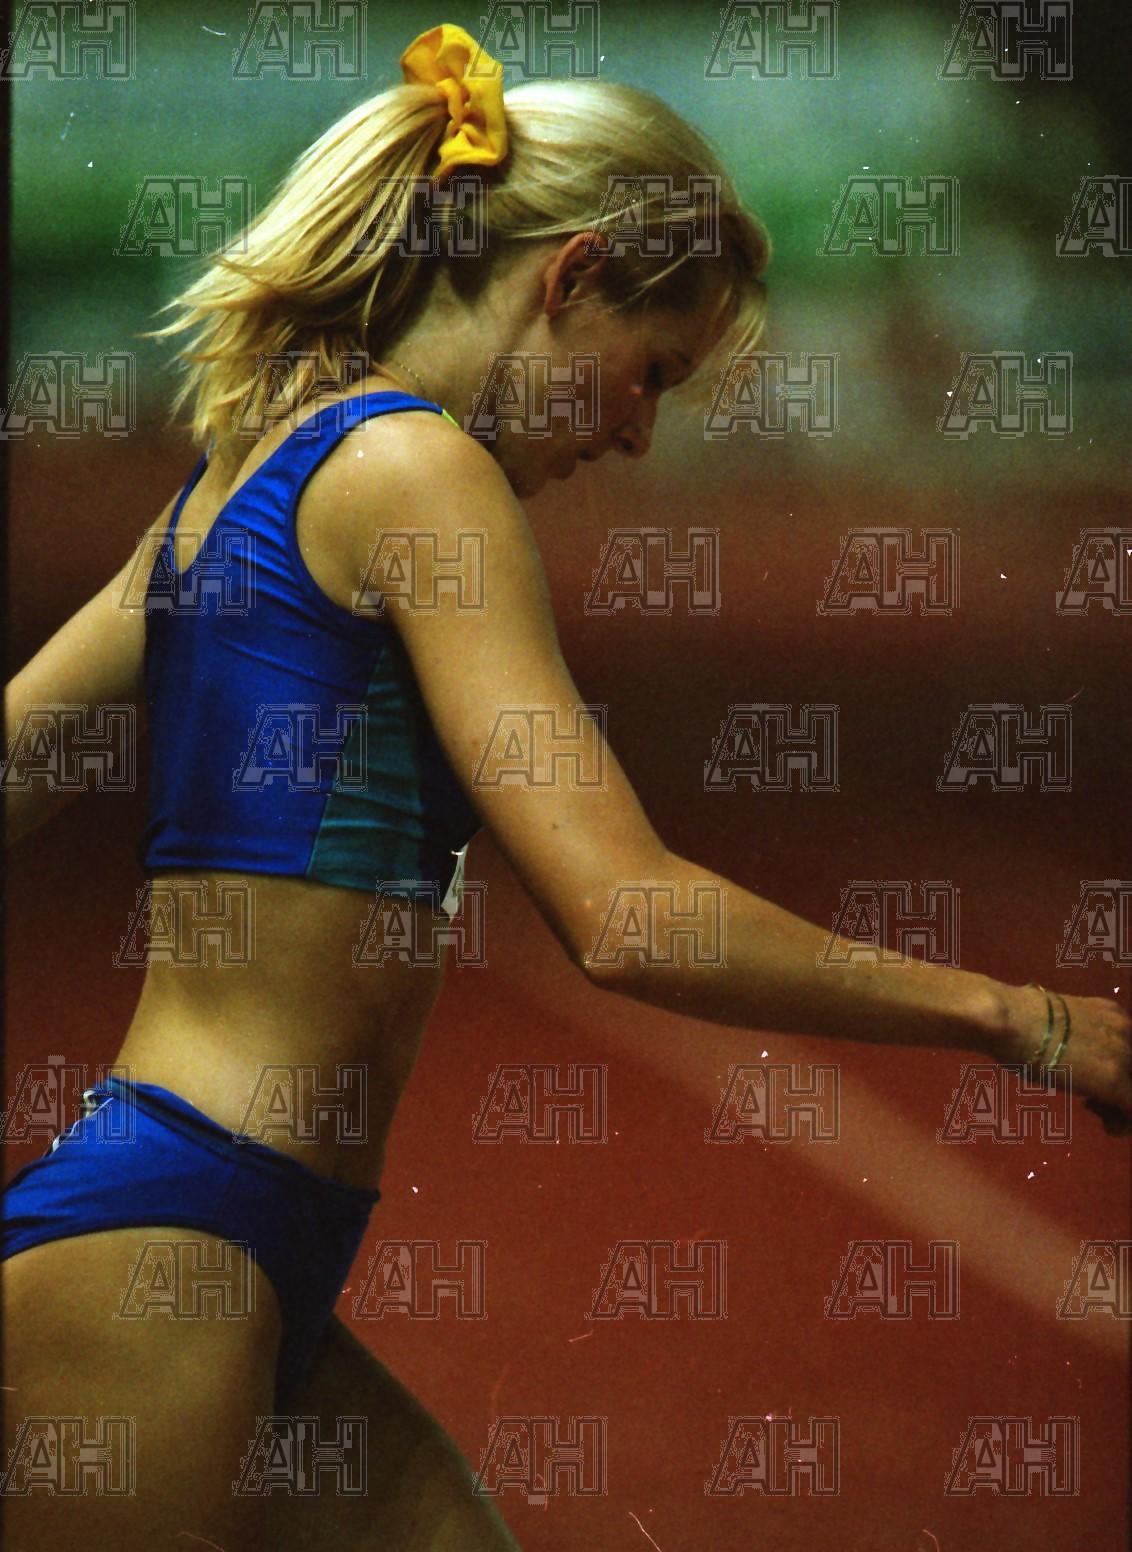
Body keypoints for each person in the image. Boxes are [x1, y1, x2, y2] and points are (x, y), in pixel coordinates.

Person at [3, 22, 1129, 1552]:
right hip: (179, 1236)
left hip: (219, 1225)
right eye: (648, 372)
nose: (637, 433)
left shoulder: (241, 475)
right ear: (573, 275)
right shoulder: (419, 472)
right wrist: (1014, 1016)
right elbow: (626, 914)